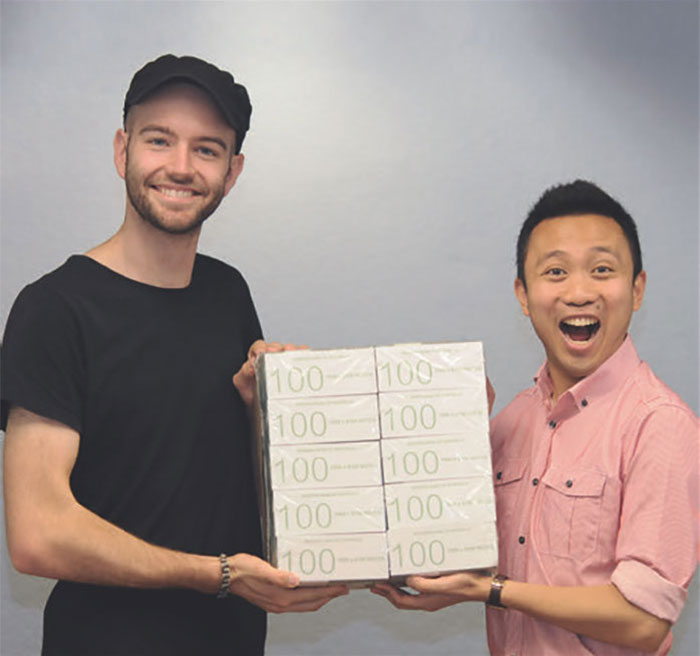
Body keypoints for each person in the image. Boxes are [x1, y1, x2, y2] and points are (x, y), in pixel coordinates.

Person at [1, 54, 347, 656]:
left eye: (206, 149)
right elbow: (38, 533)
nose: (181, 167)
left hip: (232, 642)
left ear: (232, 172)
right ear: (122, 151)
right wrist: (219, 575)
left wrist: (259, 408)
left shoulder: (227, 291)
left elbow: (214, 475)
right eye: (159, 140)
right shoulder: (53, 309)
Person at [372, 180, 698, 655]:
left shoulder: (661, 424)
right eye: (556, 272)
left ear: (637, 289)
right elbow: (471, 556)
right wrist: (448, 436)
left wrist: (492, 591)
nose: (579, 292)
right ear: (523, 296)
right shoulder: (512, 422)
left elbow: (643, 620)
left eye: (602, 270)